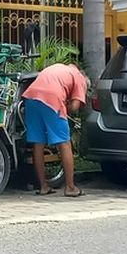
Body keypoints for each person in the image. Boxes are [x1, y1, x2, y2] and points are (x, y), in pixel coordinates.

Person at [22, 61, 89, 198]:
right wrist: (66, 108)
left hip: (31, 97)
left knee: (38, 143)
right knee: (64, 143)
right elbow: (75, 106)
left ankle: (43, 186)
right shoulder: (79, 78)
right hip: (52, 98)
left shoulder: (58, 68)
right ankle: (70, 187)